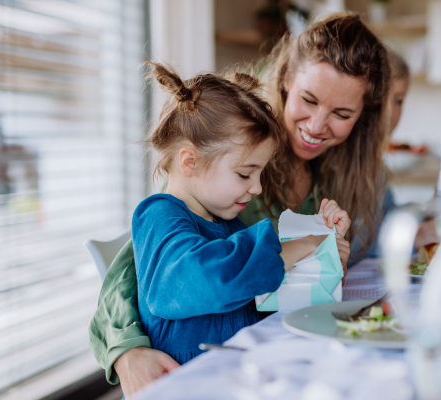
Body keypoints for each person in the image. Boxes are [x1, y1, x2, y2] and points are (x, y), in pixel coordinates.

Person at [90, 13, 393, 396]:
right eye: (309, 99)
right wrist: (127, 353)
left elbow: (267, 302)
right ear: (285, 81)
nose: (317, 125)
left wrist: (326, 264)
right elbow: (133, 279)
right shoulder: (228, 148)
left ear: (362, 117)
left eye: (341, 113)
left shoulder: (354, 178)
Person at [131, 62, 351, 366]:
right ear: (190, 162)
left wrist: (321, 256)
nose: (258, 188)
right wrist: (301, 246)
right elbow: (211, 279)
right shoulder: (158, 216)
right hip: (185, 381)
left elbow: (257, 299)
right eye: (245, 174)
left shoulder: (228, 224)